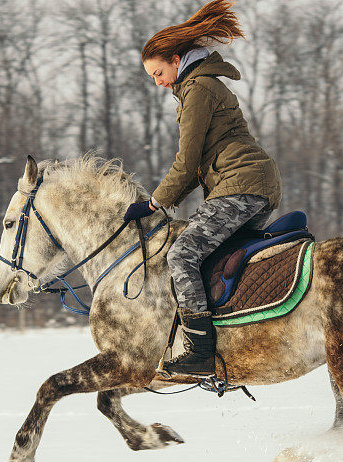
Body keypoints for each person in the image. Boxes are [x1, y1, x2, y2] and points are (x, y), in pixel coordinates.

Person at [124, 0, 282, 378]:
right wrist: (161, 201)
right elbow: (196, 168)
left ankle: (200, 350)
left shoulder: (197, 89)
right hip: (247, 183)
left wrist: (153, 204)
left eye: (158, 72)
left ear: (177, 60)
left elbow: (187, 161)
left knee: (181, 255)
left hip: (241, 185)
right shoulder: (196, 87)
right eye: (152, 77)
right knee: (206, 253)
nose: (158, 82)